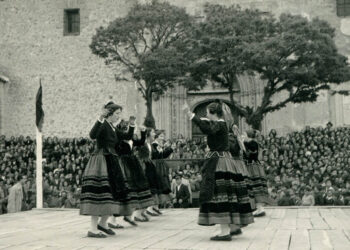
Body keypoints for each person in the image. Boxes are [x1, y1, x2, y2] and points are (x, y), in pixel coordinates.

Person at [183, 100, 254, 241]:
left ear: (213, 113)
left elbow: (207, 128)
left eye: (208, 112)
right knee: (229, 193)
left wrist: (190, 115)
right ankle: (233, 226)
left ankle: (225, 231)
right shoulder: (220, 124)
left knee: (219, 194)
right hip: (223, 161)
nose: (206, 115)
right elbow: (206, 124)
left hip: (219, 163)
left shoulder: (219, 124)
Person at [80, 101, 134, 238]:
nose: (119, 116)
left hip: (111, 160)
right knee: (100, 194)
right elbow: (92, 135)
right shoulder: (104, 124)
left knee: (111, 192)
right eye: (117, 113)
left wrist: (132, 125)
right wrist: (100, 118)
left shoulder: (112, 127)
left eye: (120, 114)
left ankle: (103, 224)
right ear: (110, 114)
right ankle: (92, 228)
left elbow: (127, 136)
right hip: (102, 161)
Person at [116, 121, 154, 226]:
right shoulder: (119, 140)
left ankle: (129, 216)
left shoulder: (131, 139)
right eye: (127, 128)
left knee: (135, 189)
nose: (130, 130)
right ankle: (120, 217)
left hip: (132, 164)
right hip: (123, 164)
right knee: (127, 189)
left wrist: (143, 131)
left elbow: (141, 142)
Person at [243, 130, 272, 217]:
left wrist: (244, 142)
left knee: (255, 186)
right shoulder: (252, 142)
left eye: (245, 134)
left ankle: (260, 208)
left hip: (252, 166)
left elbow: (249, 153)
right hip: (254, 165)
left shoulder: (252, 143)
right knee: (255, 187)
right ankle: (258, 208)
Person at [151, 130, 173, 210]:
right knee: (158, 184)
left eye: (163, 136)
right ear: (156, 137)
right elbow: (154, 155)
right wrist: (161, 149)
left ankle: (157, 206)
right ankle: (154, 206)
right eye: (161, 136)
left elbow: (163, 155)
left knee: (162, 183)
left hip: (161, 165)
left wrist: (170, 149)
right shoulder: (153, 145)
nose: (162, 138)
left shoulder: (159, 145)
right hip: (156, 165)